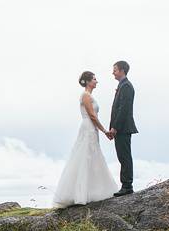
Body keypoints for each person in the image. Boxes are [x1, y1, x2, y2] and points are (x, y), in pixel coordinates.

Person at [53, 71, 120, 207]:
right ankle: (80, 193)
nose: (96, 81)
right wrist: (105, 131)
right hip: (89, 128)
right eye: (94, 79)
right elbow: (92, 116)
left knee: (93, 157)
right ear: (88, 81)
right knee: (85, 157)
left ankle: (92, 191)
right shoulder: (85, 96)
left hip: (92, 128)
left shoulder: (89, 96)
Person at [107, 60, 138, 197]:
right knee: (122, 156)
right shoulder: (122, 85)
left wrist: (114, 128)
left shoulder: (126, 86)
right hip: (121, 128)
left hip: (123, 128)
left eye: (115, 69)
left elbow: (123, 109)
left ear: (122, 70)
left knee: (124, 156)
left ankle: (127, 185)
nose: (113, 72)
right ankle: (126, 184)